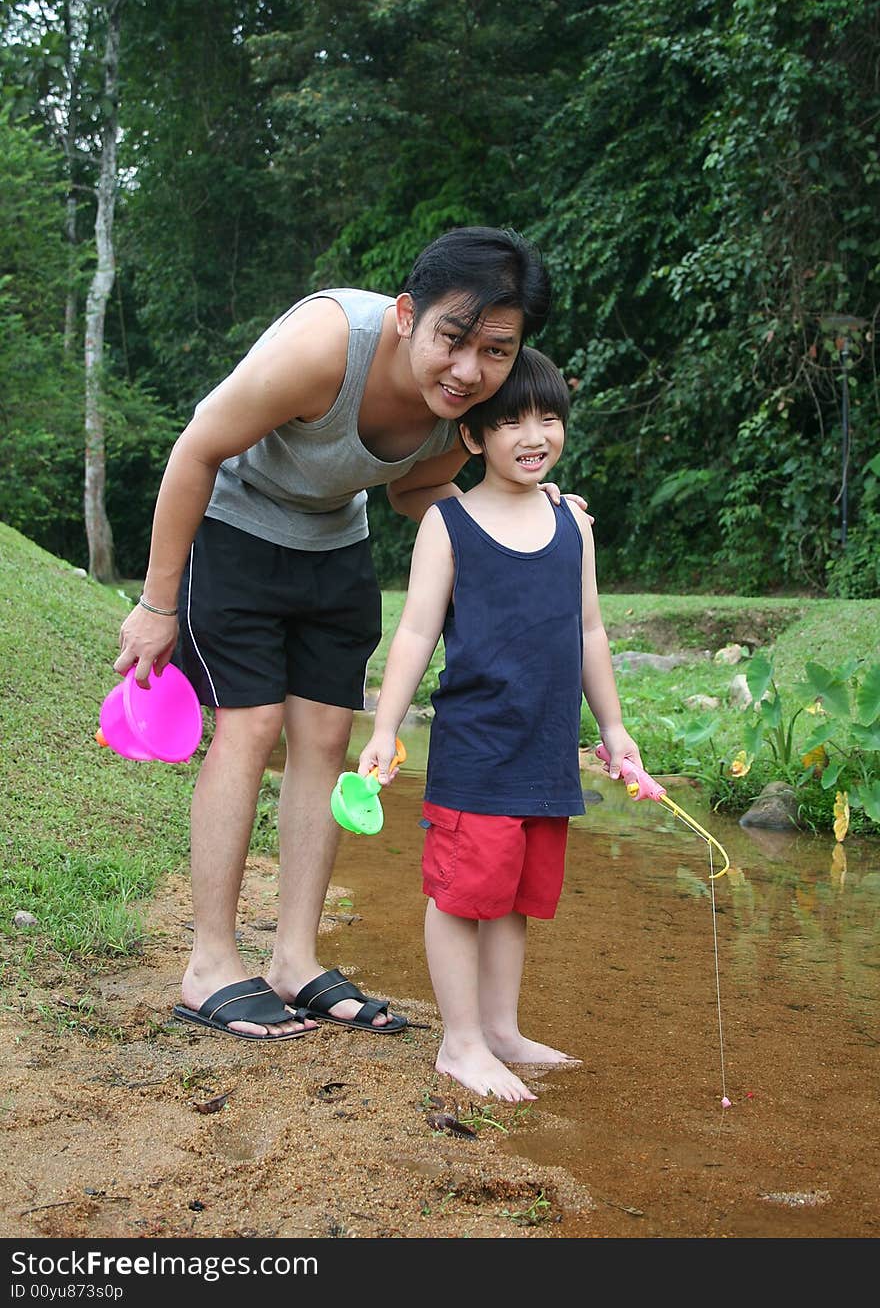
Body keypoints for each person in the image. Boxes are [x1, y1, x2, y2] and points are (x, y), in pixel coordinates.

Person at [115, 226, 569, 1041]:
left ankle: (294, 957)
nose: (469, 370)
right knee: (250, 727)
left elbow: (419, 494)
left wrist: (531, 523)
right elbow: (197, 448)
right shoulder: (328, 344)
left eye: (496, 351)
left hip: (332, 544)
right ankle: (211, 962)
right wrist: (156, 605)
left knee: (326, 736)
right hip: (235, 528)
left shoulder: (463, 411)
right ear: (406, 315)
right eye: (453, 339)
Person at [358, 347, 642, 1100]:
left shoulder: (571, 525)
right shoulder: (448, 525)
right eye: (511, 419)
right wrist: (385, 729)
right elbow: (416, 632)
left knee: (514, 897)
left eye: (549, 417)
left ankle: (501, 1027)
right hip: (477, 751)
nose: (534, 433)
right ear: (475, 438)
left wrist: (612, 730)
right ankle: (459, 1042)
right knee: (461, 896)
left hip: (545, 751)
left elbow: (589, 633)